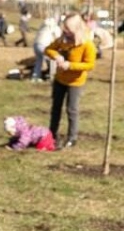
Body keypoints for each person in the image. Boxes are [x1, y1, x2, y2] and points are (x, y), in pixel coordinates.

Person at [44, 14, 96, 149]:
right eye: (64, 27)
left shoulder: (87, 45)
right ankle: (52, 134)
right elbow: (48, 49)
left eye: (67, 28)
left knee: (72, 109)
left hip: (75, 82)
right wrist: (56, 55)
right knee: (56, 108)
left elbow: (89, 65)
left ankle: (72, 138)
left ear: (77, 28)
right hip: (60, 79)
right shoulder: (63, 39)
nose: (65, 30)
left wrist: (70, 65)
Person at [31, 18, 60, 82]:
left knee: (39, 61)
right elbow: (58, 36)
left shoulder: (43, 25)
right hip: (44, 44)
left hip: (36, 44)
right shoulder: (54, 26)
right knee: (52, 59)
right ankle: (52, 77)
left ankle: (35, 77)